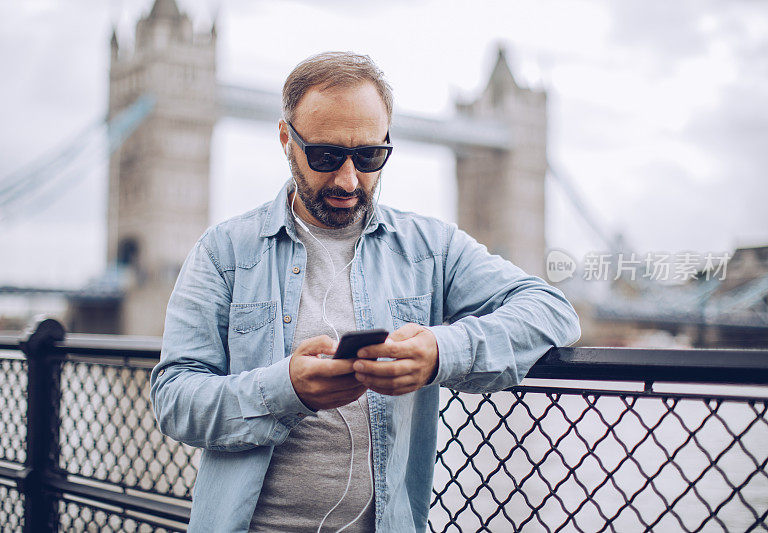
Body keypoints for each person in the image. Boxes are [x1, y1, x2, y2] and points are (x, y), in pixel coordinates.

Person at [150, 51, 581, 532]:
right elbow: (174, 400)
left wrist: (441, 352)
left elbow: (553, 311)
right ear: (285, 140)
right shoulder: (222, 251)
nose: (349, 179)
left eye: (370, 156)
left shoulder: (430, 248)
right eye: (326, 156)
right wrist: (285, 389)